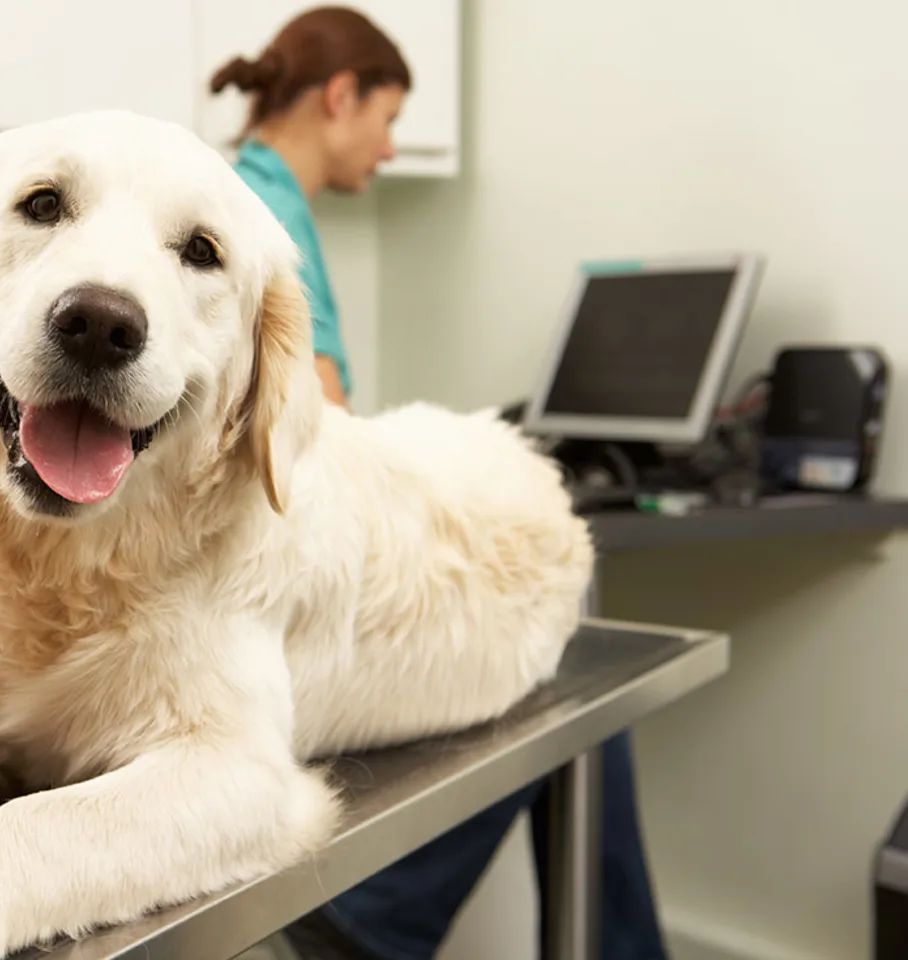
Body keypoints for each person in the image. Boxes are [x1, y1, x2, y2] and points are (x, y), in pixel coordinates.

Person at [214, 8, 671, 959]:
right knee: (559, 630)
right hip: (259, 590)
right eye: (386, 118)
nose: (387, 149)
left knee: (550, 644)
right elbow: (316, 435)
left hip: (256, 569)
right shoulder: (261, 215)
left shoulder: (244, 196)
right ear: (340, 98)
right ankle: (374, 924)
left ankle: (381, 921)